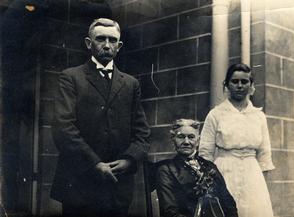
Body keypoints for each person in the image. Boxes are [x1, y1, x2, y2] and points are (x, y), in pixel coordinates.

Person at [51, 18, 150, 217]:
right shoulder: (71, 77)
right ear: (89, 43)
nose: (107, 45)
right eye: (100, 39)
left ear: (119, 46)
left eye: (112, 40)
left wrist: (129, 160)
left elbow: (142, 132)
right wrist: (95, 163)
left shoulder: (131, 84)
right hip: (80, 184)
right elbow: (63, 128)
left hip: (118, 187)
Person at [199, 63, 275, 217]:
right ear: (226, 85)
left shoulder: (259, 116)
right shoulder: (216, 114)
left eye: (244, 81)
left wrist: (261, 184)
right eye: (234, 81)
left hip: (252, 173)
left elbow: (264, 154)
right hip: (223, 172)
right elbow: (205, 153)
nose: (239, 86)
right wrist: (210, 185)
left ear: (251, 85)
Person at [155, 119, 238, 217]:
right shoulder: (166, 170)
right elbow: (169, 212)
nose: (186, 142)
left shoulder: (210, 166)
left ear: (198, 141)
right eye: (181, 137)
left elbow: (228, 202)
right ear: (173, 139)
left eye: (191, 137)